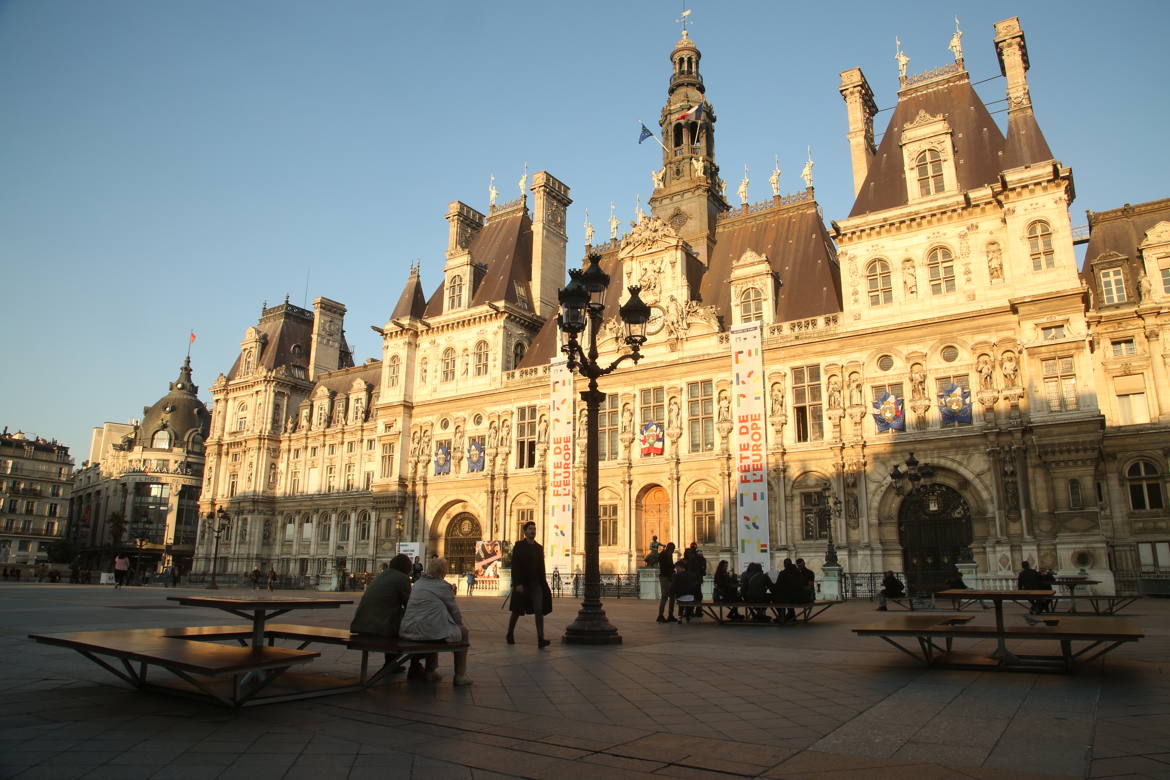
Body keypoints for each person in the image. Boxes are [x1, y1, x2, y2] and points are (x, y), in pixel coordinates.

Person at [399, 557, 472, 685]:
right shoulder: (443, 586)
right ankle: (460, 675)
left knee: (435, 628)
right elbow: (454, 611)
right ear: (443, 572)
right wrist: (459, 625)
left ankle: (430, 671)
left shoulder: (418, 583)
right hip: (427, 632)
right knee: (462, 633)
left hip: (407, 630)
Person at [350, 553, 426, 678]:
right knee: (419, 628)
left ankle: (390, 663)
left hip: (361, 624)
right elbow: (411, 607)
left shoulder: (382, 576)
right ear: (406, 568)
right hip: (378, 627)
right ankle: (415, 666)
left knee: (394, 620)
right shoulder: (402, 578)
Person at [506, 521, 553, 647]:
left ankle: (540, 638)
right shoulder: (519, 546)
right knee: (517, 610)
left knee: (539, 610)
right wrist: (517, 583)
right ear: (525, 532)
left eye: (534, 529)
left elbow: (541, 567)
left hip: (536, 583)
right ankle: (510, 633)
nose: (533, 531)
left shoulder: (539, 548)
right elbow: (515, 566)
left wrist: (543, 584)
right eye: (530, 529)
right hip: (522, 584)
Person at [655, 542, 678, 623]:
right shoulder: (663, 555)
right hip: (665, 577)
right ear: (669, 548)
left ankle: (670, 615)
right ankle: (660, 615)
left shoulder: (668, 555)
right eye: (672, 549)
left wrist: (674, 567)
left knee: (672, 596)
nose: (673, 551)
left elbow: (670, 566)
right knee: (664, 596)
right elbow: (665, 567)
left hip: (669, 577)